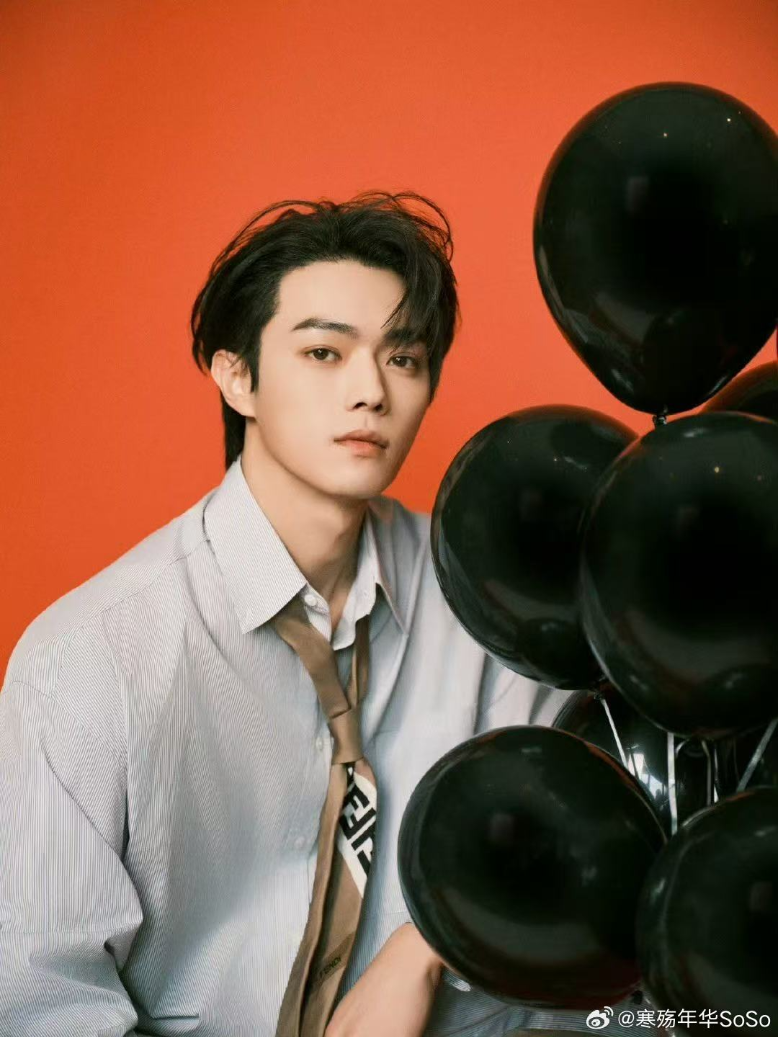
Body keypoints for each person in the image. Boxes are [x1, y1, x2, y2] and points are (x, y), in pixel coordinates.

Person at [0, 193, 635, 1037]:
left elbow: (579, 836)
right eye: (324, 353)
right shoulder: (88, 656)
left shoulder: (486, 594)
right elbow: (40, 1003)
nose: (370, 391)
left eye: (403, 358)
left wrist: (428, 939)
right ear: (237, 376)